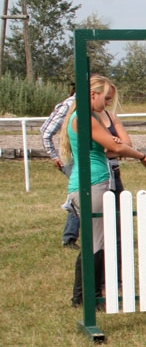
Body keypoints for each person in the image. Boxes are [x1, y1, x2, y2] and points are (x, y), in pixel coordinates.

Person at [62, 75, 146, 306]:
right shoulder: (84, 117)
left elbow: (115, 146)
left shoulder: (87, 117)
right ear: (92, 94)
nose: (107, 103)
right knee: (98, 244)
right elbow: (116, 145)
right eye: (105, 98)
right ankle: (87, 296)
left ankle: (86, 294)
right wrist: (142, 156)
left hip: (94, 181)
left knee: (97, 241)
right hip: (93, 183)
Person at [40, 88, 80, 249]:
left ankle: (71, 236)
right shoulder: (69, 105)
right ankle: (70, 237)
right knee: (81, 196)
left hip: (83, 158)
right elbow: (45, 132)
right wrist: (54, 156)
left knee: (81, 196)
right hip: (71, 159)